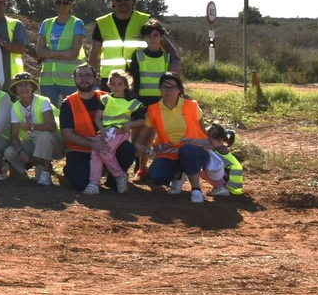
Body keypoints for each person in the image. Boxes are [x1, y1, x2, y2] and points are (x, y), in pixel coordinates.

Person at [59, 64, 136, 195]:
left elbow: (131, 116)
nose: (84, 79)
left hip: (108, 147)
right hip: (81, 150)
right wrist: (94, 144)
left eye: (88, 75)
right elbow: (67, 134)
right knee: (81, 184)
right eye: (80, 76)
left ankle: (114, 179)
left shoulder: (110, 98)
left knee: (128, 149)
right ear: (74, 79)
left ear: (96, 79)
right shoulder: (68, 103)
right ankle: (76, 170)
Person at [141, 72, 215, 201]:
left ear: (179, 89)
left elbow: (203, 132)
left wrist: (216, 146)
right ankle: (178, 176)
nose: (168, 91)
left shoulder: (192, 106)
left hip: (195, 151)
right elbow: (142, 135)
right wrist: (140, 147)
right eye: (165, 87)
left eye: (172, 87)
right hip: (170, 153)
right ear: (160, 88)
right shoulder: (153, 109)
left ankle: (196, 189)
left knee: (187, 150)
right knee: (156, 175)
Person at [89, 0, 173, 77]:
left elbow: (165, 44)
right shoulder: (102, 23)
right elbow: (94, 54)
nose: (123, 1)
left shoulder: (145, 20)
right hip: (111, 79)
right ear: (112, 2)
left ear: (133, 0)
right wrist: (91, 76)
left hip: (139, 77)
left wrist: (175, 62)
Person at [89, 70, 145, 195]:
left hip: (119, 133)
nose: (116, 87)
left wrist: (130, 124)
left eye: (120, 84)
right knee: (95, 153)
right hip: (103, 132)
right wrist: (102, 130)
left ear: (126, 85)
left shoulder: (132, 102)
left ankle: (120, 176)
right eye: (113, 84)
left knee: (105, 152)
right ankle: (93, 183)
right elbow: (98, 117)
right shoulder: (105, 99)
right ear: (108, 85)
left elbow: (141, 120)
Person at [4, 72, 63, 185]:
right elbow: (14, 136)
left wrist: (32, 126)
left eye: (27, 84)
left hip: (56, 143)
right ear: (15, 89)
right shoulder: (15, 107)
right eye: (20, 85)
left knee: (43, 135)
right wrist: (21, 151)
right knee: (9, 152)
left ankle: (46, 172)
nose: (24, 88)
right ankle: (23, 174)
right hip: (32, 143)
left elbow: (52, 126)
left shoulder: (43, 101)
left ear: (32, 87)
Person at [35, 0, 85, 108]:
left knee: (73, 113)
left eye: (65, 2)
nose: (61, 5)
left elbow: (74, 53)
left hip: (70, 79)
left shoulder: (77, 23)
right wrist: (64, 53)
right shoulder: (46, 23)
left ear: (71, 4)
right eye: (58, 2)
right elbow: (39, 51)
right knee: (49, 114)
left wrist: (49, 53)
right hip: (48, 80)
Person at [126, 19, 181, 111]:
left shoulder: (167, 57)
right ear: (145, 38)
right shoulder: (138, 55)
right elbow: (134, 79)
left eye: (155, 35)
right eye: (148, 36)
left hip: (162, 100)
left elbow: (173, 81)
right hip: (142, 100)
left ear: (161, 37)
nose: (152, 39)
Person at [208, 125, 245, 197]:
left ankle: (220, 188)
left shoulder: (217, 154)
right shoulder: (222, 151)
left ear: (219, 141)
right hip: (235, 188)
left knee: (202, 169)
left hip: (231, 188)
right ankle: (220, 186)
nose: (208, 143)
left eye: (210, 141)